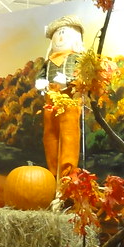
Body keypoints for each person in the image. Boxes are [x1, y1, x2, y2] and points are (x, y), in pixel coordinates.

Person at [37, 15, 85, 180]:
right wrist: (41, 83)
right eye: (58, 33)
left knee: (68, 132)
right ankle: (53, 173)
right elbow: (41, 76)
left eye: (64, 33)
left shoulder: (76, 58)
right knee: (50, 133)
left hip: (69, 99)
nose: (61, 37)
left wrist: (69, 82)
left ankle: (67, 173)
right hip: (51, 97)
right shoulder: (48, 62)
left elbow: (82, 79)